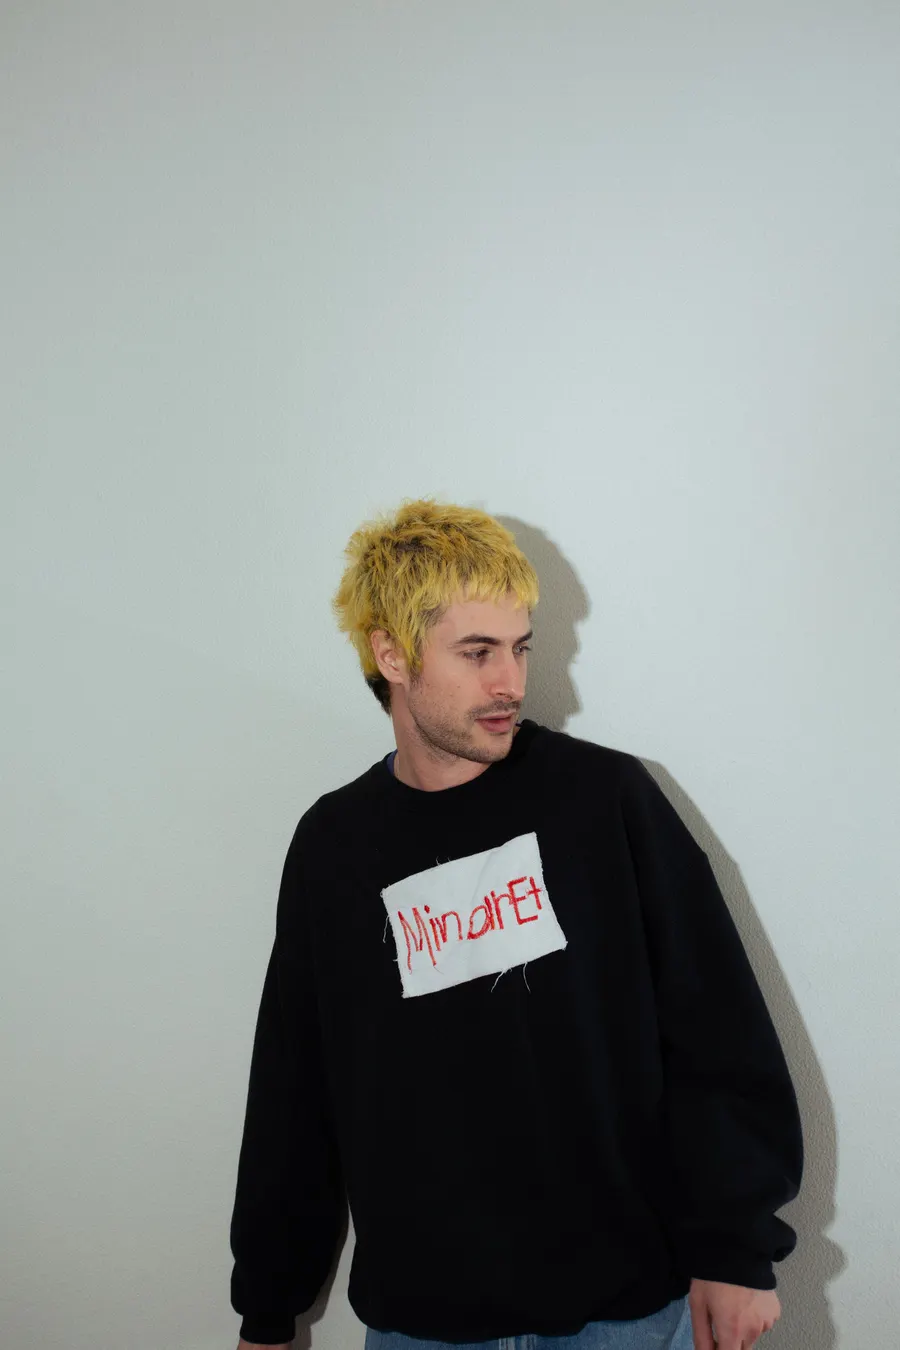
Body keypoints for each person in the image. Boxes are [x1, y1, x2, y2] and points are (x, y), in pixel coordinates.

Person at [229, 498, 803, 1350]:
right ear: (391, 654)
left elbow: (716, 1030)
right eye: (477, 652)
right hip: (424, 1324)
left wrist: (736, 1249)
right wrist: (269, 1307)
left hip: (622, 1313)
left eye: (520, 648)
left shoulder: (604, 802)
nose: (511, 683)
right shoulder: (336, 846)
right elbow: (295, 1087)